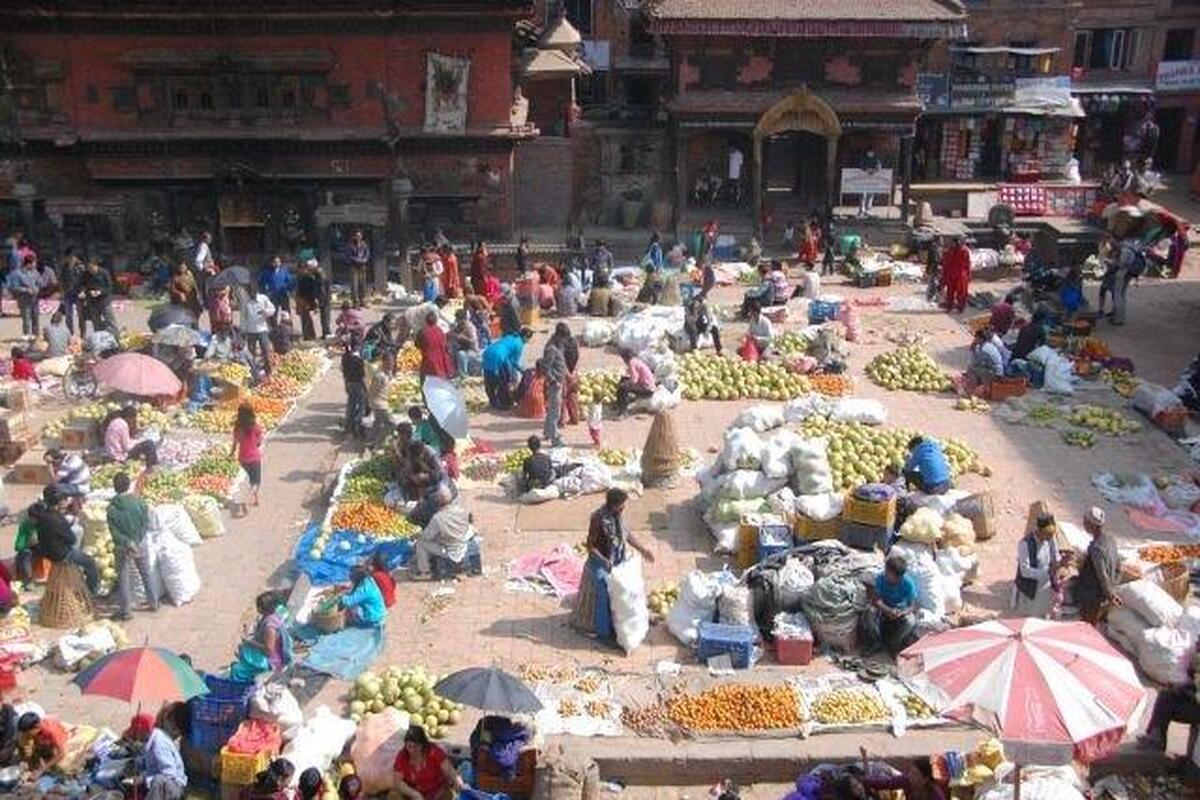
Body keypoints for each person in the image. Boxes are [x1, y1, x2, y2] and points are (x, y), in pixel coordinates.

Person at [571, 488, 655, 644]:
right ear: (613, 505)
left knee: (628, 590)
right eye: (622, 505)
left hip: (617, 561)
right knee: (604, 592)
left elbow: (626, 535)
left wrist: (643, 550)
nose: (624, 508)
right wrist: (604, 561)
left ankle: (634, 619)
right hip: (600, 564)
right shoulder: (598, 519)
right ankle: (603, 633)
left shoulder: (618, 515)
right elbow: (590, 546)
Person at [108, 472, 156, 620]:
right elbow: (145, 524)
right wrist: (136, 540)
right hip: (140, 543)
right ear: (129, 485)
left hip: (122, 547)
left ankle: (126, 611)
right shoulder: (140, 503)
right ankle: (153, 602)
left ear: (115, 488)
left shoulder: (111, 508)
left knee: (123, 576)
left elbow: (114, 532)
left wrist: (127, 542)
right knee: (145, 572)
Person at [1013, 513, 1068, 618]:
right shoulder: (1025, 544)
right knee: (1029, 619)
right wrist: (1047, 572)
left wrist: (1061, 562)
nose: (1050, 537)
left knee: (1043, 617)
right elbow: (1025, 571)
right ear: (1039, 530)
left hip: (1046, 589)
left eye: (1052, 533)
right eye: (1048, 534)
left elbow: (1055, 557)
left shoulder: (1050, 540)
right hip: (1030, 591)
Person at [230, 590, 294, 681]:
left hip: (272, 661)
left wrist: (250, 642)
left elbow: (269, 650)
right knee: (243, 648)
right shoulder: (274, 615)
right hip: (272, 652)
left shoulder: (270, 628)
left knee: (237, 670)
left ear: (262, 608)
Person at [1072, 506, 1121, 624]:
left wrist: (1110, 594)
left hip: (1093, 595)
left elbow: (1102, 574)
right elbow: (1118, 567)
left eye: (1086, 522)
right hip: (1105, 591)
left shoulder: (1096, 548)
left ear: (1093, 525)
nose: (1083, 524)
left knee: (1088, 625)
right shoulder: (1111, 539)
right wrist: (1114, 587)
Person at [126, 711, 186, 800]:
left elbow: (169, 774)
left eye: (136, 732)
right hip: (160, 783)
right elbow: (152, 766)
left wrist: (144, 780)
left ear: (142, 730)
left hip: (174, 786)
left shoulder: (159, 745)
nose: (135, 735)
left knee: (158, 781)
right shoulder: (151, 738)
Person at [393, 725, 463, 800]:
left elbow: (449, 769)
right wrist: (415, 795)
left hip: (436, 792)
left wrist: (457, 780)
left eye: (416, 746)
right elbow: (398, 782)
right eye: (409, 746)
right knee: (394, 795)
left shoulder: (433, 751)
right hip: (414, 792)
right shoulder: (402, 756)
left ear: (423, 745)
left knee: (448, 794)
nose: (412, 750)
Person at [866, 555, 918, 657]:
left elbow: (913, 605)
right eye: (886, 571)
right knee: (869, 612)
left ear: (898, 576)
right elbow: (876, 600)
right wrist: (888, 610)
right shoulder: (880, 578)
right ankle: (876, 643)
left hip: (899, 610)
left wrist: (903, 612)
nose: (886, 574)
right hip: (884, 608)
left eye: (889, 573)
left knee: (911, 621)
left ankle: (894, 646)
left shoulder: (908, 583)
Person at [411, 496, 476, 576]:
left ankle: (425, 572)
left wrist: (416, 535)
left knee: (421, 543)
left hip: (451, 552)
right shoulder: (462, 511)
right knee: (468, 531)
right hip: (462, 545)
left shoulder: (438, 518)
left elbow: (426, 536)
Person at [482, 328, 532, 410]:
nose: (527, 341)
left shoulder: (511, 336)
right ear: (525, 337)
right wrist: (522, 371)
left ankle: (493, 402)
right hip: (498, 356)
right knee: (504, 381)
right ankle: (503, 403)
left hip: (487, 353)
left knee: (488, 379)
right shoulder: (519, 344)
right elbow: (513, 362)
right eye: (528, 339)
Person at [231, 403, 264, 514]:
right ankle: (247, 499)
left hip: (242, 458)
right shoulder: (254, 426)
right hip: (254, 457)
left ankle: (255, 500)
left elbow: (235, 443)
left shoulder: (237, 427)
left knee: (250, 479)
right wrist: (257, 443)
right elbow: (260, 440)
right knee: (256, 482)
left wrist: (231, 454)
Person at [16, 712, 67, 780]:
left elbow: (61, 753)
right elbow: (35, 744)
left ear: (37, 726)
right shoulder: (35, 731)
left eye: (28, 732)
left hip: (61, 742)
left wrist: (43, 769)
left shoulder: (51, 731)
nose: (27, 735)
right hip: (45, 742)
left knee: (62, 767)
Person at [238, 288, 276, 376]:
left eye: (254, 293)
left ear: (257, 292)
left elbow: (272, 310)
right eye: (250, 294)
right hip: (251, 331)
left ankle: (268, 371)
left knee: (266, 352)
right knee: (251, 354)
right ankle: (253, 372)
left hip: (262, 329)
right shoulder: (245, 302)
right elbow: (243, 317)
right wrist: (243, 330)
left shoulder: (263, 299)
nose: (252, 296)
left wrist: (265, 312)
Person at [540, 329, 568, 447]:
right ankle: (555, 438)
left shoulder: (558, 345)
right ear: (558, 336)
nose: (564, 341)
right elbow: (545, 368)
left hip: (559, 381)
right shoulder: (551, 349)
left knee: (553, 409)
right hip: (554, 384)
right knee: (555, 412)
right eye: (564, 338)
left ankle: (547, 432)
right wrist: (553, 380)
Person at [80, 260, 118, 336]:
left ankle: (116, 336)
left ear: (96, 265)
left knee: (110, 320)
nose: (90, 270)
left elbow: (110, 287)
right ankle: (99, 338)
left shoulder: (104, 273)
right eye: (88, 269)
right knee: (96, 321)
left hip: (104, 301)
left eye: (91, 268)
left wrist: (100, 292)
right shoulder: (86, 274)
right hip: (92, 301)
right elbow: (82, 285)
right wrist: (83, 292)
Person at [6, 255, 39, 339]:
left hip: (34, 299)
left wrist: (37, 288)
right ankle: (26, 336)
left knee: (35, 318)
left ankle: (35, 336)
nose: (35, 265)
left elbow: (38, 282)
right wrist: (26, 290)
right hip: (24, 300)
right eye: (34, 263)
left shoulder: (34, 272)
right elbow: (14, 287)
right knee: (26, 319)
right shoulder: (17, 273)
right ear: (28, 264)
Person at [342, 336, 368, 440]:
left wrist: (346, 384)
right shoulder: (359, 360)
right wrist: (366, 388)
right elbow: (362, 376)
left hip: (349, 383)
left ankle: (348, 427)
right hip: (358, 384)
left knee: (351, 405)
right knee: (362, 405)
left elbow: (344, 372)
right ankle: (357, 426)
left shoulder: (345, 356)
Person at [295, 259, 328, 340]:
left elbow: (313, 289)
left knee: (307, 319)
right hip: (302, 299)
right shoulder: (300, 277)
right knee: (304, 318)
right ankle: (307, 335)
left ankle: (310, 335)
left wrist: (312, 301)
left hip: (307, 299)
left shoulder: (309, 277)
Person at [367, 353, 395, 447]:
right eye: (389, 362)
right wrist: (372, 402)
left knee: (377, 423)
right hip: (379, 404)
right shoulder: (379, 376)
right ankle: (379, 442)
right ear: (383, 362)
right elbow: (372, 390)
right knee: (391, 423)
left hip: (382, 401)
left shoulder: (387, 372)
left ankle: (371, 441)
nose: (391, 364)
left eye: (392, 362)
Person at [616, 349, 656, 414]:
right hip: (649, 386)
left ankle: (623, 412)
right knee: (623, 380)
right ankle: (623, 403)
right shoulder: (636, 361)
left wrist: (625, 383)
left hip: (647, 388)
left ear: (626, 358)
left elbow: (634, 380)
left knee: (623, 388)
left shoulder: (631, 363)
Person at [416, 311, 454, 379]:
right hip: (441, 359)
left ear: (426, 321)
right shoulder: (440, 331)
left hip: (428, 358)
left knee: (426, 378)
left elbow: (417, 344)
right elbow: (445, 344)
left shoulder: (422, 331)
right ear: (436, 321)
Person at [940, 235, 971, 313]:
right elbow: (946, 263)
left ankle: (959, 308)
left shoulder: (964, 251)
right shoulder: (951, 251)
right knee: (951, 292)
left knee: (960, 292)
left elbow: (967, 264)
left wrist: (968, 274)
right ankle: (951, 307)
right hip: (954, 274)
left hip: (960, 275)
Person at [450, 309, 481, 378]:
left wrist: (464, 338)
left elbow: (473, 341)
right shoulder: (456, 326)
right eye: (457, 318)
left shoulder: (470, 327)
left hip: (471, 350)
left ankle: (463, 375)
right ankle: (455, 371)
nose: (458, 320)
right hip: (460, 348)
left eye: (460, 319)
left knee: (461, 355)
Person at [58, 255, 85, 335]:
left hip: (78, 293)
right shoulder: (64, 268)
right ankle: (71, 334)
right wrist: (62, 292)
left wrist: (83, 291)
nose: (71, 260)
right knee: (68, 316)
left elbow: (85, 280)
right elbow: (61, 281)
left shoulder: (80, 268)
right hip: (67, 294)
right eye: (69, 258)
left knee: (81, 315)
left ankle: (82, 334)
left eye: (72, 258)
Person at [560, 322, 581, 426]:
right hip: (574, 373)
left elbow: (562, 361)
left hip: (565, 375)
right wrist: (574, 372)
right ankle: (574, 418)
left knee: (563, 397)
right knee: (573, 396)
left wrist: (567, 374)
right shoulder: (574, 342)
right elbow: (578, 356)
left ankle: (562, 420)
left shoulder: (560, 345)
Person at [346, 230, 371, 307]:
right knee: (354, 284)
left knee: (362, 283)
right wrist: (357, 260)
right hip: (354, 266)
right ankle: (355, 302)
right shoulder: (350, 245)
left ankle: (362, 300)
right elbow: (348, 256)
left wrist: (365, 259)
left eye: (359, 236)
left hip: (362, 266)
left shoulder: (364, 244)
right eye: (357, 236)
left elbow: (367, 253)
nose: (358, 237)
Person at [858, 149, 882, 218]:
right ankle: (861, 210)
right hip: (863, 180)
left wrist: (874, 170)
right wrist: (866, 169)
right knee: (863, 195)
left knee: (870, 195)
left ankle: (868, 210)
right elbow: (861, 165)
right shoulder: (864, 158)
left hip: (872, 181)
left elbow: (879, 166)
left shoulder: (876, 159)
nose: (870, 154)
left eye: (871, 152)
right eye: (869, 152)